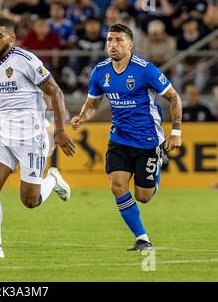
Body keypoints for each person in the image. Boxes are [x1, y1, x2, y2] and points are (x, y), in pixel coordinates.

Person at [0, 17, 76, 259]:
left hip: (31, 137)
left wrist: (59, 131)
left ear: (11, 38)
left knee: (30, 201)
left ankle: (52, 180)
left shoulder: (27, 61)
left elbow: (55, 92)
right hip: (4, 137)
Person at [71, 23, 183, 251]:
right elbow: (93, 103)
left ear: (130, 44)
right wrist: (82, 117)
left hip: (148, 140)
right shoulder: (100, 72)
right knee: (117, 185)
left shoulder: (145, 69)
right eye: (110, 40)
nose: (113, 45)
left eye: (119, 40)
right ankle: (142, 238)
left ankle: (158, 162)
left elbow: (174, 97)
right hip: (119, 138)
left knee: (143, 196)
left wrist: (176, 133)